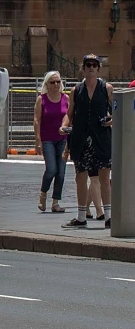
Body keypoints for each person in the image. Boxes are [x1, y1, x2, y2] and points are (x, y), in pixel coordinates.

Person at [62, 55, 113, 228]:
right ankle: (81, 216)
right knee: (80, 177)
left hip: (101, 138)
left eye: (94, 65)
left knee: (104, 177)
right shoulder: (76, 90)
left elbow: (116, 112)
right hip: (81, 138)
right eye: (88, 65)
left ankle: (108, 217)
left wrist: (110, 120)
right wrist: (64, 126)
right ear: (83, 68)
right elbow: (69, 114)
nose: (91, 68)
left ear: (99, 69)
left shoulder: (106, 88)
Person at [33, 70, 69, 214]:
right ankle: (43, 194)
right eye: (52, 82)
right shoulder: (41, 99)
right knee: (51, 170)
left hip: (63, 139)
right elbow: (37, 120)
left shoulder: (66, 98)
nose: (56, 84)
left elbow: (70, 116)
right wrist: (38, 140)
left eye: (58, 82)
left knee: (61, 172)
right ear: (47, 84)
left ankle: (55, 202)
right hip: (47, 139)